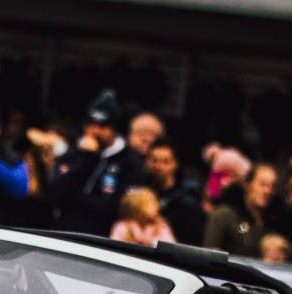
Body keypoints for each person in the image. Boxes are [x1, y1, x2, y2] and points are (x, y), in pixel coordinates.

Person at [48, 92, 146, 235]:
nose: (95, 131)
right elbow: (55, 194)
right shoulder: (72, 154)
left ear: (114, 128)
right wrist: (88, 158)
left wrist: (75, 198)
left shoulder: (130, 162)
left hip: (102, 241)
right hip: (62, 233)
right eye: (91, 124)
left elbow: (118, 210)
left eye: (103, 126)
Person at [203, 162, 276, 258]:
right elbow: (208, 255)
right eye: (262, 185)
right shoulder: (224, 216)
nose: (268, 191)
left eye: (272, 186)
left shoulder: (274, 222)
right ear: (247, 185)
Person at [144, 140, 203, 246]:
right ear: (147, 162)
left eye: (165, 162)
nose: (158, 166)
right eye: (154, 160)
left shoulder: (187, 202)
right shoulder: (139, 193)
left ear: (175, 164)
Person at [110, 187, 174, 246]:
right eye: (150, 203)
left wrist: (150, 242)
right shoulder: (123, 226)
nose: (157, 206)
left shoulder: (160, 226)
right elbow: (114, 245)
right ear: (137, 206)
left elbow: (170, 247)